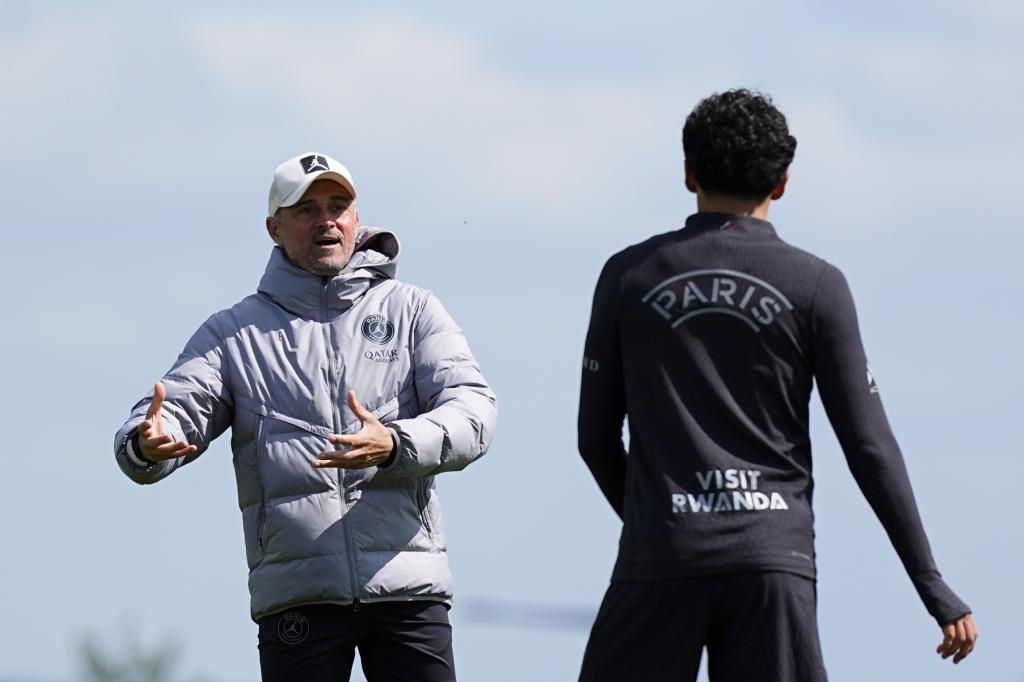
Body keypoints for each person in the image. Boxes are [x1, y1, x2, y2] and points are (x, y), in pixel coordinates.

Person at [576, 90, 976, 681]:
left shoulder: (627, 275)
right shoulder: (816, 284)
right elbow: (869, 447)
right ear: (783, 182)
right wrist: (932, 584)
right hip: (772, 560)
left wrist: (658, 519)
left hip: (662, 552)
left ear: (688, 174)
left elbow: (594, 439)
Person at [114, 152, 497, 681]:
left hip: (408, 587)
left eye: (338, 206)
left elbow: (474, 412)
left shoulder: (413, 310)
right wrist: (146, 443)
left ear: (356, 218)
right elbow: (173, 410)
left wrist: (396, 444)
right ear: (274, 229)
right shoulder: (232, 332)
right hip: (298, 595)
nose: (326, 221)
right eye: (306, 209)